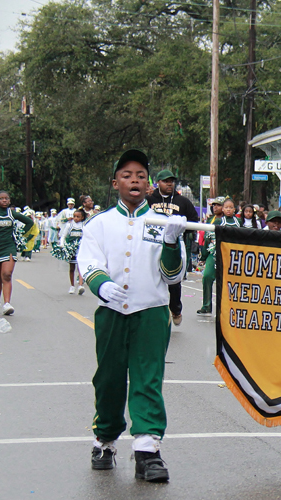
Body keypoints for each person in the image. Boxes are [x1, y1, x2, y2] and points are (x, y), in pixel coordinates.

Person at [77, 149, 187, 482]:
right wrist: (101, 284)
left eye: (140, 175)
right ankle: (104, 440)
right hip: (111, 313)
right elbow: (89, 261)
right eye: (127, 175)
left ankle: (147, 450)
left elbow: (173, 275)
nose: (134, 180)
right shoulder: (99, 224)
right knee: (108, 379)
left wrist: (172, 242)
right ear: (115, 183)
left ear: (148, 184)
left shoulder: (162, 223)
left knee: (147, 378)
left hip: (150, 312)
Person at [148, 169, 200, 326]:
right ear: (158, 183)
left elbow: (194, 220)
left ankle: (176, 309)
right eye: (165, 181)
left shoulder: (182, 201)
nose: (169, 184)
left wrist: (181, 231)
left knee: (174, 281)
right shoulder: (149, 200)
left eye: (171, 181)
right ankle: (153, 312)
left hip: (175, 244)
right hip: (152, 244)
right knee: (151, 277)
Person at [0, 191, 35, 315]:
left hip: (9, 247)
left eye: (6, 198)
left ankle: (7, 303)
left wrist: (20, 235)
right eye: (1, 198)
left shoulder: (12, 214)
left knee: (7, 275)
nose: (4, 200)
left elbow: (30, 222)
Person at [198, 198, 241, 315]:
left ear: (234, 209)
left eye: (231, 207)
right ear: (223, 209)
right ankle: (206, 305)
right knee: (207, 276)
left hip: (232, 256)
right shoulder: (217, 221)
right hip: (215, 253)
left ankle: (231, 307)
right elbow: (208, 239)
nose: (228, 210)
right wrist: (203, 257)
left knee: (230, 282)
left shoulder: (238, 222)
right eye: (226, 207)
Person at [52, 208, 87, 295]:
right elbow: (63, 236)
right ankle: (72, 286)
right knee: (72, 268)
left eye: (78, 217)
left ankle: (80, 285)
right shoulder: (69, 225)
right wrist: (62, 245)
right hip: (71, 249)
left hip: (81, 249)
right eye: (74, 216)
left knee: (80, 267)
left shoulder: (84, 226)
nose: (76, 218)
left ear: (82, 217)